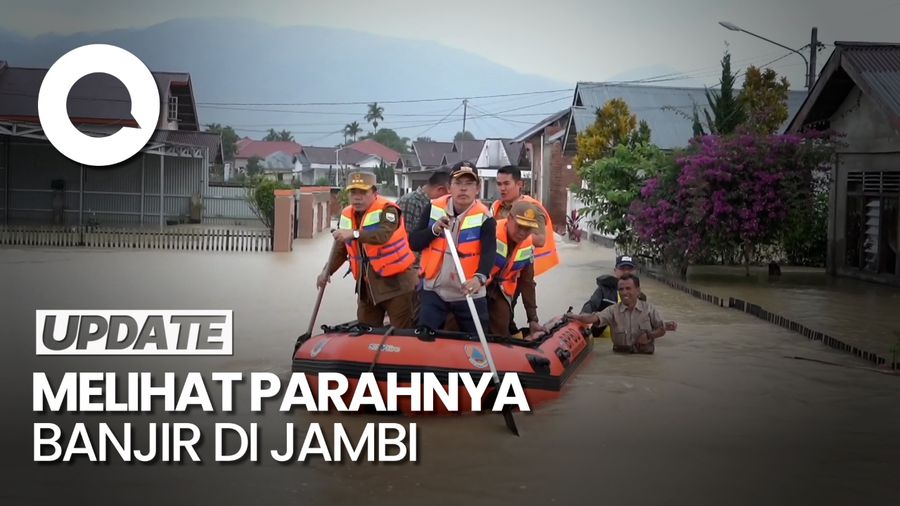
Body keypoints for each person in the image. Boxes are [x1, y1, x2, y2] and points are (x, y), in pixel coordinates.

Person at [317, 171, 418, 328]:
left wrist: (353, 233)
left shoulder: (388, 210)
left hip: (397, 286)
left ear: (374, 192)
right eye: (353, 192)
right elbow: (341, 249)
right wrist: (327, 271)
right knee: (364, 333)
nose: (357, 197)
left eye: (363, 192)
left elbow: (382, 235)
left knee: (402, 336)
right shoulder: (347, 215)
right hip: (367, 288)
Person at [408, 162, 496, 333]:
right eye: (458, 183)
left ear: (477, 188)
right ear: (449, 187)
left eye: (469, 184)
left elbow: (489, 253)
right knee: (424, 337)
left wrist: (479, 279)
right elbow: (414, 242)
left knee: (478, 342)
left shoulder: (485, 217)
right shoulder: (433, 208)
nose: (463, 189)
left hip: (469, 291)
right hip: (434, 289)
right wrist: (434, 230)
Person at [486, 201, 548, 337]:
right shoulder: (490, 233)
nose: (522, 233)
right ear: (509, 219)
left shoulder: (527, 245)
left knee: (502, 326)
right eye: (519, 226)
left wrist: (533, 319)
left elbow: (528, 282)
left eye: (527, 229)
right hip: (476, 286)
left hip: (500, 291)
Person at [566, 273, 666, 354]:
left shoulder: (649, 309)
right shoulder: (612, 310)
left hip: (645, 359)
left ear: (638, 291)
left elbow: (662, 329)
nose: (624, 292)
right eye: (621, 289)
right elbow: (593, 318)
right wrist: (576, 316)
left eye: (628, 288)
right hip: (619, 357)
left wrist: (649, 335)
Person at [491, 165, 559, 276]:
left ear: (520, 184)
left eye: (507, 183)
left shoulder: (531, 208)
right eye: (499, 184)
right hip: (496, 268)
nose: (502, 188)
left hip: (520, 270)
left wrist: (513, 234)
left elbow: (540, 240)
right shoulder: (496, 206)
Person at [396, 169, 451, 234]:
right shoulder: (409, 203)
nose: (450, 199)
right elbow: (404, 237)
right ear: (440, 190)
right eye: (449, 195)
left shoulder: (433, 206)